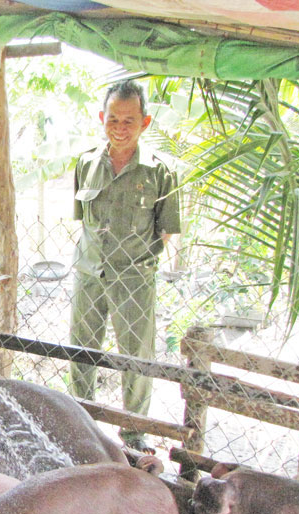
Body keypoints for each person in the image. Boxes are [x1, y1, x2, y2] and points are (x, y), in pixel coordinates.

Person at [70, 80, 181, 454]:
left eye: (129, 121)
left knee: (135, 359)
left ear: (145, 123)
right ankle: (83, 425)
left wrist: (137, 261)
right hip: (88, 274)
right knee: (81, 351)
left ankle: (134, 436)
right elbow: (82, 220)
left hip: (134, 279)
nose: (120, 128)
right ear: (102, 119)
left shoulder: (159, 172)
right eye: (113, 119)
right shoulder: (86, 164)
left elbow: (166, 230)